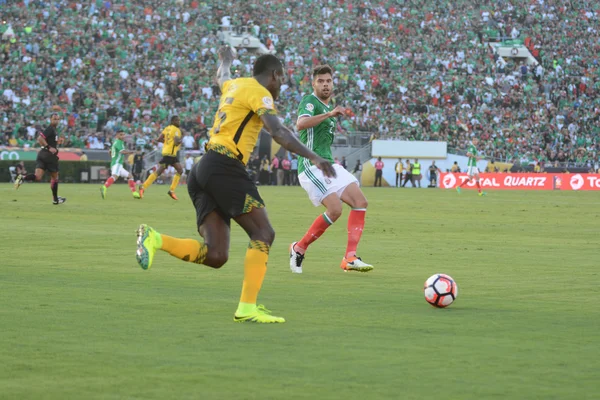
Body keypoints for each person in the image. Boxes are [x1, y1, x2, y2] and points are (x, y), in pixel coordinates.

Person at [135, 47, 335, 324]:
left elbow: (221, 76)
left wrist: (225, 60)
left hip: (203, 168)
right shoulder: (258, 91)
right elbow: (278, 131)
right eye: (282, 79)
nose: (282, 85)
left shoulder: (234, 85)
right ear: (274, 75)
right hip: (224, 166)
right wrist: (313, 155)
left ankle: (155, 239)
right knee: (263, 233)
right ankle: (247, 306)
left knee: (216, 255)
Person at [290, 64, 373, 274]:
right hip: (311, 165)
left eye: (328, 81)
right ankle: (299, 248)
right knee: (335, 210)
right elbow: (300, 124)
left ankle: (350, 257)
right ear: (313, 83)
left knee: (360, 202)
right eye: (321, 81)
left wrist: (330, 113)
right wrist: (330, 115)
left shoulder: (329, 107)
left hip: (327, 164)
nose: (325, 84)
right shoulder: (310, 102)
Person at [14, 113, 66, 204]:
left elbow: (47, 141)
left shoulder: (54, 130)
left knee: (37, 177)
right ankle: (55, 199)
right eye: (54, 119)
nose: (56, 121)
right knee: (54, 178)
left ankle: (23, 177)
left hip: (42, 154)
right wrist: (49, 147)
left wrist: (58, 142)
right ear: (50, 119)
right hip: (49, 156)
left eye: (57, 119)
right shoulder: (50, 129)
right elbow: (40, 139)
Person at [138, 115, 184, 200]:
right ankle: (143, 187)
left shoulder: (167, 128)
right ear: (173, 121)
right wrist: (182, 138)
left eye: (179, 120)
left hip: (169, 153)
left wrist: (167, 142)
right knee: (159, 171)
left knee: (180, 170)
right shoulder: (177, 130)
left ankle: (171, 190)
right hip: (170, 154)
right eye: (177, 120)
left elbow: (159, 139)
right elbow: (177, 142)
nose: (179, 122)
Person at [100, 131, 138, 199]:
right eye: (121, 135)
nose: (123, 136)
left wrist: (114, 157)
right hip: (117, 164)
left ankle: (134, 193)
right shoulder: (118, 142)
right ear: (117, 136)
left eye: (123, 134)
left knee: (130, 176)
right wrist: (131, 152)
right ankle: (104, 187)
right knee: (115, 176)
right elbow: (122, 151)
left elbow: (110, 152)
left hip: (117, 164)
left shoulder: (116, 142)